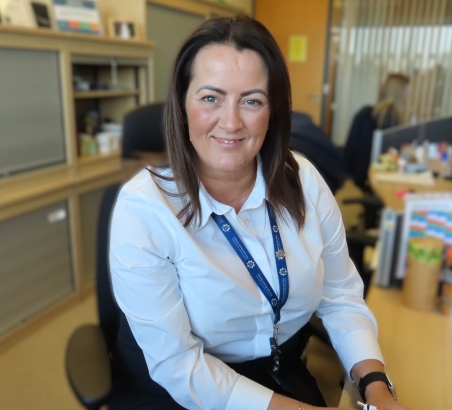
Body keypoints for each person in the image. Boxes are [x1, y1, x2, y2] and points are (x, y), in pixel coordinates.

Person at [108, 16, 410, 410]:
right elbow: (178, 364)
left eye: (251, 100)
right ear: (182, 106)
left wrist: (375, 387)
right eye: (210, 98)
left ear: (273, 112)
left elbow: (341, 296)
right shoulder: (144, 209)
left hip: (277, 367)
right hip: (176, 385)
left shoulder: (304, 180)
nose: (231, 122)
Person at [344, 74, 410, 192]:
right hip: (374, 174)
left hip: (361, 172)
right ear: (399, 91)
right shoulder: (390, 115)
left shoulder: (374, 112)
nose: (409, 93)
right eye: (408, 89)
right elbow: (391, 152)